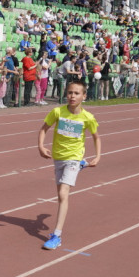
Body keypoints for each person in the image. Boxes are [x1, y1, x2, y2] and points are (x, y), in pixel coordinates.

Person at [37, 79, 102, 250]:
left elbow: (96, 137)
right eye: (70, 92)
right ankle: (82, 164)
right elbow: (44, 129)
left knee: (63, 195)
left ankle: (56, 236)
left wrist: (97, 156)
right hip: (58, 158)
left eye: (76, 93)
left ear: (84, 96)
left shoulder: (88, 117)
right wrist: (41, 146)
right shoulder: (57, 112)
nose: (72, 96)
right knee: (60, 192)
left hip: (73, 157)